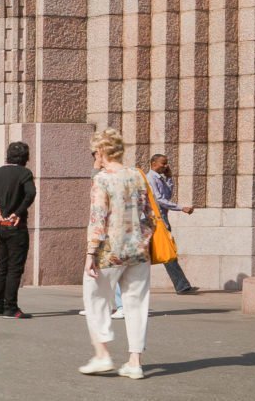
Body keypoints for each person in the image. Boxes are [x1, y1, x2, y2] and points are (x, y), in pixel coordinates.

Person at [80, 127, 154, 381]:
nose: (93, 157)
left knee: (95, 298)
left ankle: (102, 354)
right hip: (139, 249)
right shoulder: (137, 175)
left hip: (110, 250)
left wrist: (91, 252)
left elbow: (98, 217)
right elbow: (148, 213)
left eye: (93, 152)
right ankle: (135, 362)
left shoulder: (102, 178)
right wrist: (143, 239)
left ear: (101, 151)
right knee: (137, 304)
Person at [0, 140, 37, 319]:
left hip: (1, 226)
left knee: (1, 265)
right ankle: (11, 307)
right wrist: (18, 212)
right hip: (17, 227)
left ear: (8, 155)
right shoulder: (25, 173)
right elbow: (31, 193)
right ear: (25, 158)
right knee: (14, 267)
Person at [145, 153, 198, 295]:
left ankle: (181, 285)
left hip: (162, 219)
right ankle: (182, 285)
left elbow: (167, 195)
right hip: (156, 221)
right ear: (154, 163)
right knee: (167, 252)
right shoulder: (150, 178)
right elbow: (159, 200)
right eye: (163, 163)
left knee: (162, 252)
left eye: (166, 163)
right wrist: (182, 208)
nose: (166, 165)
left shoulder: (160, 178)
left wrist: (169, 178)